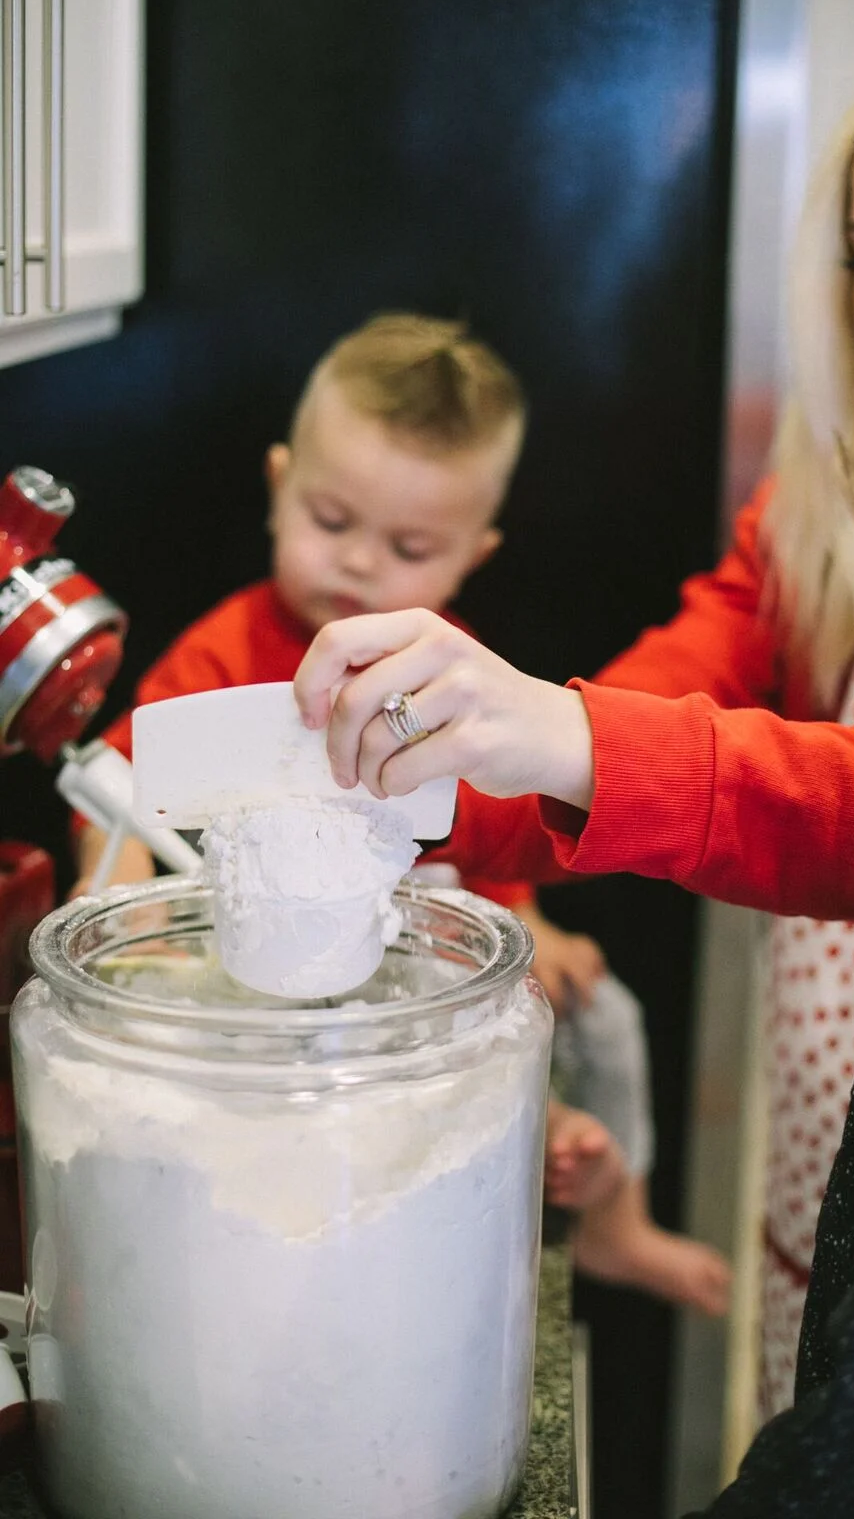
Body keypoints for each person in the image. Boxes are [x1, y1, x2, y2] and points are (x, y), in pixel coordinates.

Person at [293, 21, 854, 1411]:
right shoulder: (830, 490)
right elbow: (689, 666)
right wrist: (434, 764)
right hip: (840, 1091)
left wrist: (562, 737)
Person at [76, 312, 730, 1319]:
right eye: (330, 522)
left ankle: (611, 1217)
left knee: (600, 1016)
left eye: (410, 546)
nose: (360, 565)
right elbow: (122, 779)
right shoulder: (223, 652)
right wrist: (110, 897)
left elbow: (491, 814)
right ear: (278, 484)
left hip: (417, 924)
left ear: (475, 552)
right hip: (265, 944)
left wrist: (531, 919)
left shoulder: (448, 665)